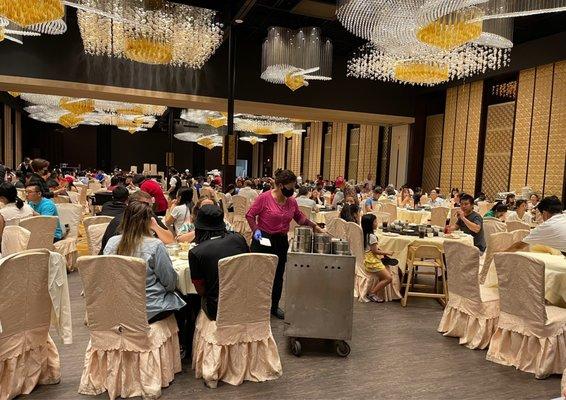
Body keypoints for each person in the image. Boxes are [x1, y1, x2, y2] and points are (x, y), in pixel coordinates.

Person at [246, 169, 324, 319]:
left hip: (281, 241)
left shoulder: (291, 201)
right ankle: (257, 306)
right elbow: (250, 215)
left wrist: (316, 227)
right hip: (264, 239)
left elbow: (300, 218)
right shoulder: (264, 198)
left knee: (278, 275)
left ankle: (274, 306)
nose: (292, 190)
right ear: (280, 185)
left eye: (294, 187)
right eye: (290, 187)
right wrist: (255, 230)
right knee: (262, 275)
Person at [103, 201, 186, 325]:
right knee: (185, 302)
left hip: (119, 305)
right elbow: (170, 282)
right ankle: (182, 343)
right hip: (150, 308)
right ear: (149, 221)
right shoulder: (155, 245)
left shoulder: (111, 243)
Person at [189, 205, 249, 321]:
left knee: (192, 301)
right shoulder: (239, 239)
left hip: (217, 309)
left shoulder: (196, 252)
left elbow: (200, 290)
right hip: (245, 300)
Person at [99, 190, 174, 253]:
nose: (148, 209)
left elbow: (170, 240)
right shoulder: (118, 222)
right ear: (130, 204)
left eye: (150, 205)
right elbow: (111, 252)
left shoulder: (150, 217)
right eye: (145, 205)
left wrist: (156, 227)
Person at [361, 214, 394, 303]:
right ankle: (372, 293)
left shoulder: (364, 234)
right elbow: (375, 251)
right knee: (388, 278)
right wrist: (387, 252)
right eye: (375, 221)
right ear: (370, 224)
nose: (377, 223)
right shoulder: (372, 236)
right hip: (372, 261)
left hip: (367, 259)